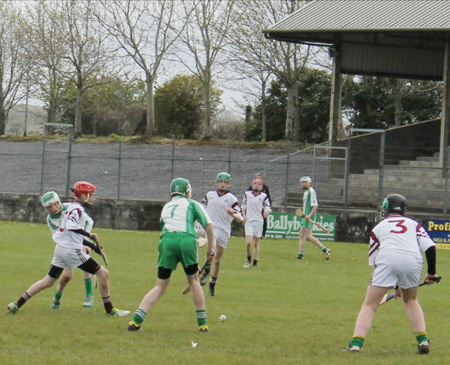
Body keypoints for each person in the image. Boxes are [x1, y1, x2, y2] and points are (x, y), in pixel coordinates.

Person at [8, 181, 129, 317]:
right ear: (84, 195)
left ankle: (17, 304)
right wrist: (89, 235)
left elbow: (72, 233)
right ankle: (110, 311)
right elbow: (72, 227)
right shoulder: (76, 209)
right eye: (91, 195)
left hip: (60, 249)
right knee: (103, 274)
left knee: (47, 281)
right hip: (71, 250)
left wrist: (93, 246)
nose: (93, 198)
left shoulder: (71, 208)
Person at [347, 194, 437, 354]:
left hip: (388, 258)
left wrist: (392, 281)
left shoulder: (378, 228)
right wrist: (431, 273)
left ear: (386, 208)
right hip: (413, 260)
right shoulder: (414, 224)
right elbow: (430, 248)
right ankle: (423, 341)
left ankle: (355, 344)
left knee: (370, 304)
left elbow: (375, 262)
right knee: (410, 300)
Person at [128, 178, 216, 332]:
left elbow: (167, 227)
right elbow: (208, 226)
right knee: (194, 281)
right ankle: (203, 324)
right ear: (187, 191)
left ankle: (135, 321)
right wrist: (211, 249)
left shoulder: (166, 206)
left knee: (160, 285)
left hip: (167, 242)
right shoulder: (193, 204)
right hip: (187, 241)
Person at [41, 191, 96, 309]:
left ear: (58, 202)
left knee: (85, 259)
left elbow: (89, 221)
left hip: (79, 242)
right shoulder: (50, 219)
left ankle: (89, 295)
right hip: (67, 248)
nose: (54, 208)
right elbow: (58, 236)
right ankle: (57, 297)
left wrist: (84, 240)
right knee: (67, 276)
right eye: (49, 207)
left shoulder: (70, 208)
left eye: (55, 204)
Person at [201, 172, 243, 296]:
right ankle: (205, 273)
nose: (222, 184)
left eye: (225, 182)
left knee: (218, 260)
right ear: (217, 182)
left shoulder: (232, 199)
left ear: (228, 184)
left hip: (224, 230)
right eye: (221, 182)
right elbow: (201, 208)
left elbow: (240, 217)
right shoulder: (210, 195)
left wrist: (233, 214)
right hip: (211, 227)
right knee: (211, 249)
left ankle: (212, 284)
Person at [297, 176, 331, 260]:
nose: (304, 184)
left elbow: (315, 205)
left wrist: (309, 215)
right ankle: (300, 255)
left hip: (308, 216)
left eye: (305, 182)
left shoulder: (311, 192)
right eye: (302, 182)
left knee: (308, 236)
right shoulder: (306, 192)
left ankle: (325, 249)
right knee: (301, 235)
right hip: (304, 216)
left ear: (309, 183)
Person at [242, 178, 271, 268]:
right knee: (248, 243)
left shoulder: (263, 196)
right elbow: (243, 206)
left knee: (256, 243)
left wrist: (266, 211)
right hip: (249, 221)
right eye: (255, 183)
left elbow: (267, 206)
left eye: (258, 184)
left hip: (258, 221)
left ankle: (255, 261)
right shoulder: (247, 194)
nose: (256, 185)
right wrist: (244, 216)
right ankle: (248, 258)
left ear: (261, 187)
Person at [247, 172, 271, 238]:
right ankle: (252, 234)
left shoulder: (265, 187)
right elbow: (247, 196)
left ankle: (262, 234)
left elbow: (268, 197)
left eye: (260, 178)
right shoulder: (251, 187)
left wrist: (268, 207)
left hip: (262, 207)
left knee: (264, 221)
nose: (259, 179)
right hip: (254, 207)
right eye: (258, 178)